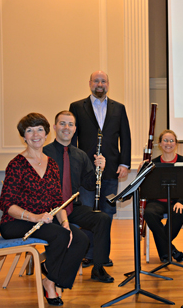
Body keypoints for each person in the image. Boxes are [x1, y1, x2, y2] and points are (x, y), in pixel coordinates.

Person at [0, 113, 89, 306]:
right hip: (17, 222)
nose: (35, 134)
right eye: (29, 130)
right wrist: (34, 217)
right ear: (23, 136)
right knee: (60, 236)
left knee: (80, 238)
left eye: (40, 129)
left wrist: (65, 223)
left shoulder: (52, 164)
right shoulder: (16, 164)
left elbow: (58, 202)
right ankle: (50, 286)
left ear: (46, 133)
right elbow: (7, 204)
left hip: (44, 220)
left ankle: (51, 278)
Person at [43, 111, 114, 283]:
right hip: (48, 212)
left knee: (102, 218)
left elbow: (89, 184)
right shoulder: (44, 153)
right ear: (54, 127)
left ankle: (98, 267)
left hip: (72, 207)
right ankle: (53, 268)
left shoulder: (80, 155)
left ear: (75, 129)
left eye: (70, 124)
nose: (66, 128)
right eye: (62, 123)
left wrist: (100, 170)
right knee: (71, 236)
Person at [69, 70, 131, 265]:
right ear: (90, 83)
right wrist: (73, 165)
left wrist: (124, 163)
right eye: (96, 81)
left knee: (106, 212)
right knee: (87, 212)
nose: (100, 84)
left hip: (112, 169)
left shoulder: (119, 108)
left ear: (108, 84)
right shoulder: (77, 107)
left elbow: (125, 137)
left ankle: (102, 255)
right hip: (85, 170)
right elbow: (72, 138)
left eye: (103, 81)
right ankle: (88, 254)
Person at [142, 130, 183, 262]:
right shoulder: (154, 163)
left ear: (176, 143)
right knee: (149, 213)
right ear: (160, 144)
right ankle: (171, 249)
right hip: (157, 201)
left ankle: (165, 252)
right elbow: (148, 187)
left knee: (179, 213)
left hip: (178, 201)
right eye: (165, 140)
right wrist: (142, 170)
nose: (168, 143)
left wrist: (181, 201)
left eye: (171, 140)